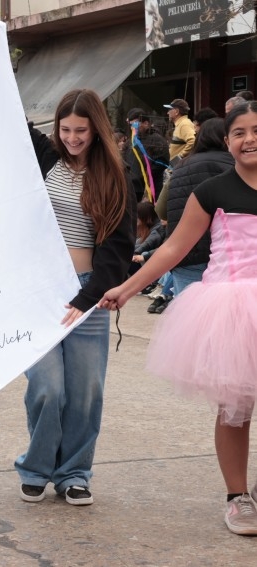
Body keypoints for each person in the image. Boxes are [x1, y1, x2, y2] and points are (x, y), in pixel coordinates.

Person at [99, 101, 257, 536]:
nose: (249, 138)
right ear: (227, 142)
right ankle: (237, 497)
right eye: (239, 132)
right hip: (232, 308)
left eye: (256, 130)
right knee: (234, 409)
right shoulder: (214, 191)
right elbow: (173, 248)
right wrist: (126, 287)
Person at [16, 89, 134, 506]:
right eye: (65, 129)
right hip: (39, 291)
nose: (72, 137)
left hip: (90, 293)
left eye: (80, 130)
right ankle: (36, 467)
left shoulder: (114, 177)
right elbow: (10, 115)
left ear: (96, 129)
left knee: (85, 391)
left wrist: (88, 297)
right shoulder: (47, 159)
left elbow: (119, 247)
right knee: (47, 387)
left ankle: (75, 473)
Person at [165, 117, 234, 295]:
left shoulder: (180, 167)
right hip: (227, 257)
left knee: (190, 318)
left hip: (185, 254)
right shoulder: (235, 164)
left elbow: (161, 210)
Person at [125, 108, 169, 202]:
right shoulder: (130, 141)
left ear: (146, 123)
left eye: (136, 124)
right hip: (132, 187)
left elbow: (162, 162)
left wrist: (144, 173)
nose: (133, 127)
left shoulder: (157, 140)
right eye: (131, 124)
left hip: (151, 186)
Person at [164, 98, 196, 165]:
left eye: (169, 110)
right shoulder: (181, 124)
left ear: (176, 111)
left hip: (180, 167)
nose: (167, 113)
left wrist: (180, 156)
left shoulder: (184, 124)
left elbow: (193, 141)